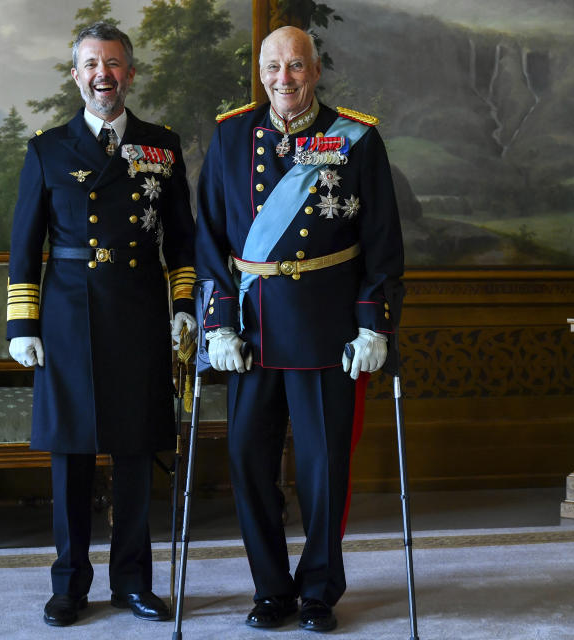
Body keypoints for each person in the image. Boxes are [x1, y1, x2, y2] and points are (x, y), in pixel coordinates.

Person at [195, 25, 403, 633]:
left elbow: (382, 246)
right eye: (272, 68)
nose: (282, 79)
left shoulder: (357, 139)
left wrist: (374, 325)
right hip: (252, 334)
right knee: (246, 461)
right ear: (259, 72)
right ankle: (270, 589)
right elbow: (209, 242)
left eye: (295, 66)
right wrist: (218, 326)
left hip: (325, 331)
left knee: (323, 468)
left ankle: (318, 590)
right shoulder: (231, 135)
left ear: (315, 70)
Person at [5, 21, 196, 628]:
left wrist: (184, 306)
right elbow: (24, 244)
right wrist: (22, 325)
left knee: (136, 453)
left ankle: (133, 583)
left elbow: (183, 240)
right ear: (75, 75)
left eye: (113, 64)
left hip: (139, 312)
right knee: (72, 456)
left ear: (130, 73)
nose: (102, 75)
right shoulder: (48, 149)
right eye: (91, 64)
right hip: (66, 316)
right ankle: (70, 586)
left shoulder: (161, 146)